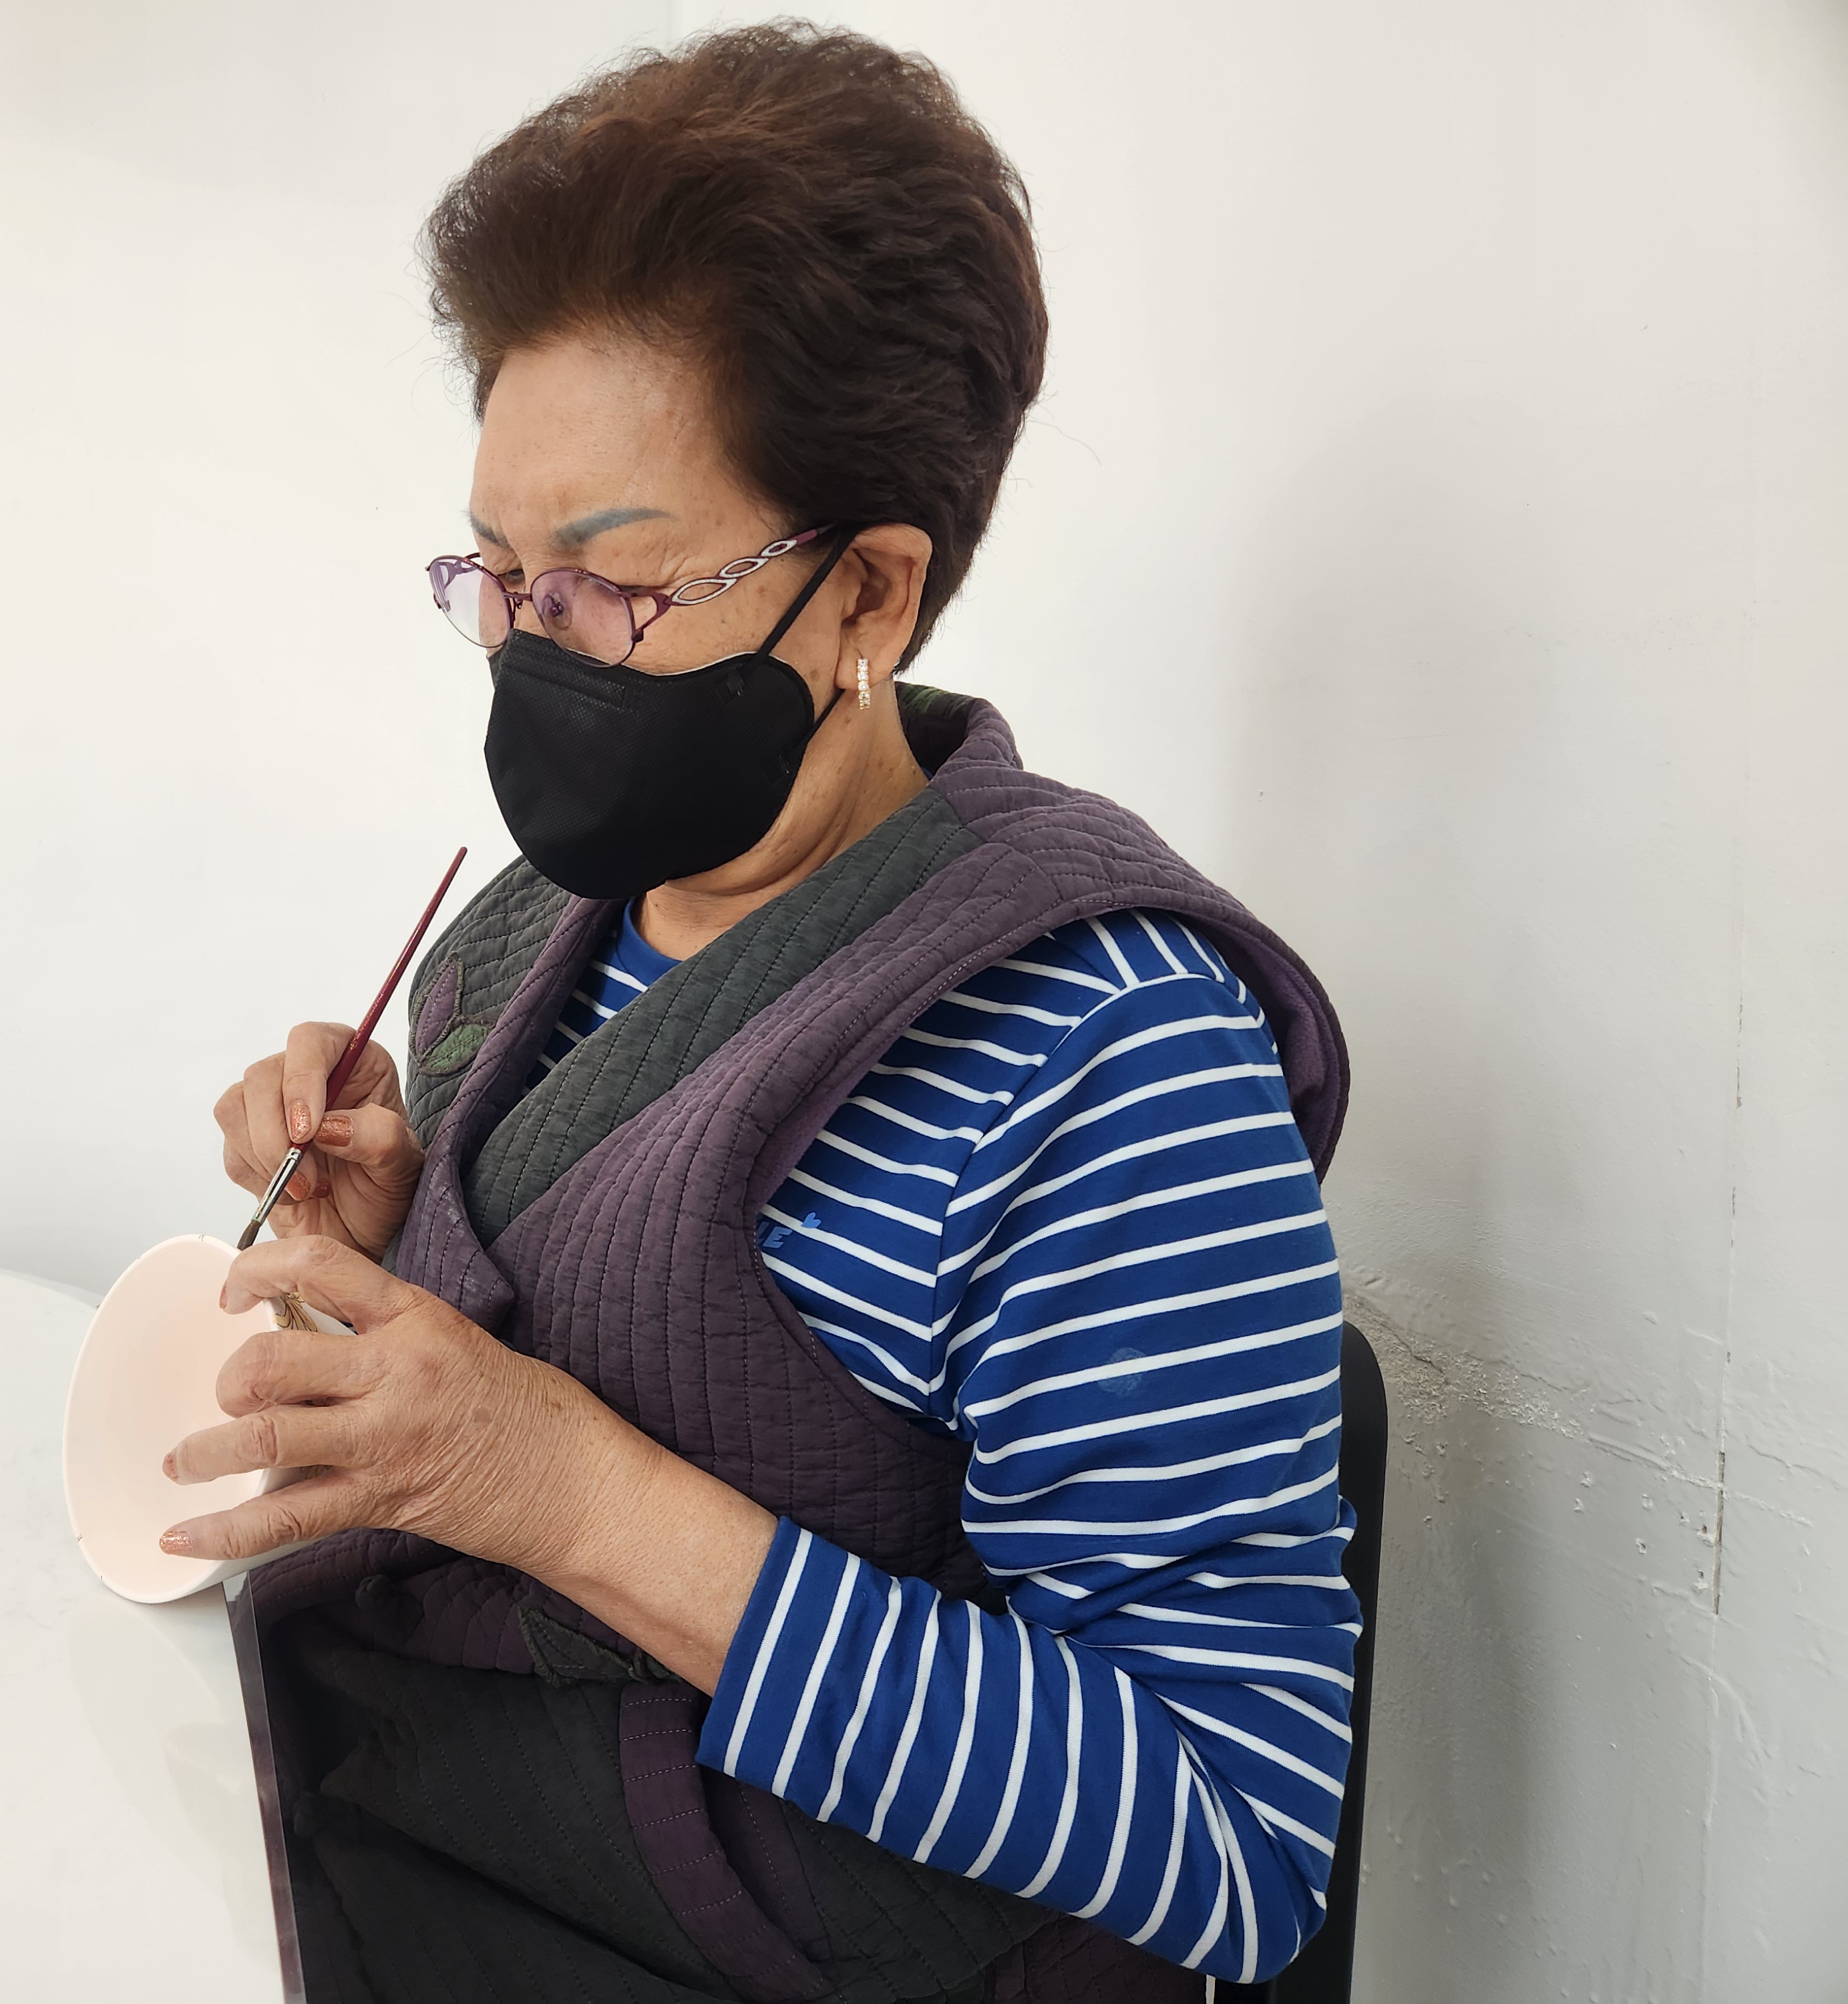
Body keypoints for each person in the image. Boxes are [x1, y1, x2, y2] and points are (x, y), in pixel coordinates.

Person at [182, 25, 1358, 2001]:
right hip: (380, 1813)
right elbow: (513, 1350)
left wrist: (563, 1490)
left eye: (610, 589)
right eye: (498, 577)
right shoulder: (532, 933)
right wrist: (385, 1244)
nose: (532, 650)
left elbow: (1231, 1840)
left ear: (872, 595)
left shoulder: (1108, 1051)